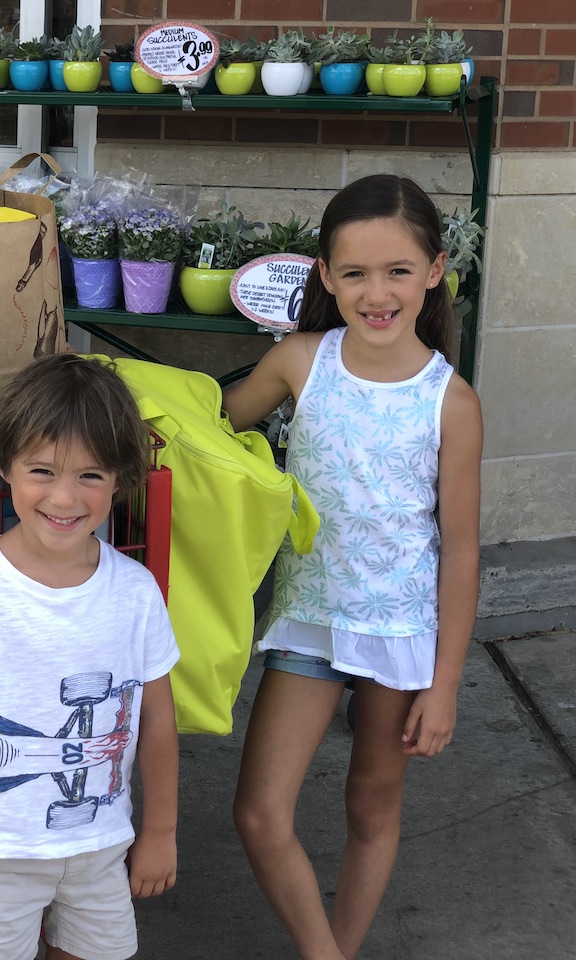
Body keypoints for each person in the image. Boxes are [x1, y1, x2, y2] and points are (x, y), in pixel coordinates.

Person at [223, 174, 483, 960]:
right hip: (308, 617)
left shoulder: (452, 401)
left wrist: (444, 685)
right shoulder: (299, 363)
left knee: (371, 807)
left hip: (402, 633)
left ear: (435, 271)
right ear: (326, 278)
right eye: (356, 274)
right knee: (261, 813)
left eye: (398, 271)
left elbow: (462, 547)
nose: (378, 293)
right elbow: (209, 430)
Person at [0, 353, 181, 960]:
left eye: (90, 476)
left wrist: (159, 830)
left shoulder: (136, 592)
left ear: (120, 479)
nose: (64, 497)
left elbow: (158, 717)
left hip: (100, 843)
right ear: (6, 466)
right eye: (42, 471)